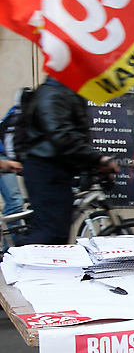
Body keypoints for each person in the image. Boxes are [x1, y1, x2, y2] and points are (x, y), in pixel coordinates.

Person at [17, 76, 118, 244]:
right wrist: (98, 159)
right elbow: (62, 137)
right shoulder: (53, 94)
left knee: (55, 232)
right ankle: (29, 266)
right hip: (48, 171)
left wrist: (93, 164)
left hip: (55, 171)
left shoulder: (61, 93)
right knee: (50, 233)